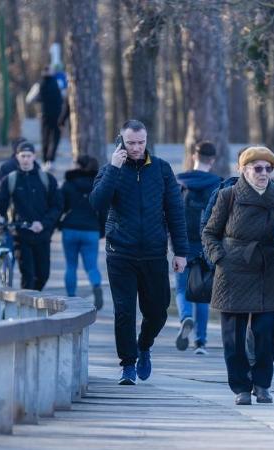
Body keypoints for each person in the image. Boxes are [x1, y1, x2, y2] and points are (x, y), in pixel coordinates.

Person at [90, 119, 188, 385]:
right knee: (124, 311)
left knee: (157, 312)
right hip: (120, 252)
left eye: (140, 142)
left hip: (154, 253)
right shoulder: (111, 169)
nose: (135, 147)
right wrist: (113, 168)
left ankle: (144, 346)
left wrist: (180, 251)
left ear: (147, 141)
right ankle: (128, 365)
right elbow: (97, 203)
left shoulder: (161, 169)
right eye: (130, 142)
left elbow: (175, 213)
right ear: (120, 141)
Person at [201, 146, 274, 405]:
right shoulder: (228, 195)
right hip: (233, 270)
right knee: (233, 336)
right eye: (257, 168)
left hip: (269, 269)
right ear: (243, 170)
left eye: (268, 169)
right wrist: (219, 258)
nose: (263, 173)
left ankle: (262, 384)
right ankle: (241, 386)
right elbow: (209, 232)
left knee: (268, 329)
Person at [0, 144, 62, 291]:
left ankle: (34, 303)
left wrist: (44, 223)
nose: (25, 159)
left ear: (34, 157)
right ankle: (27, 311)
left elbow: (57, 206)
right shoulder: (10, 180)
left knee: (43, 275)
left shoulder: (46, 179)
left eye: (28, 156)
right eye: (22, 156)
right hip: (21, 234)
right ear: (17, 157)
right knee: (28, 275)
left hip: (42, 235)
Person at [175, 141, 222, 355]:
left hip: (182, 244)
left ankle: (185, 316)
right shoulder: (217, 184)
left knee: (182, 287)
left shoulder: (180, 182)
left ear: (195, 156)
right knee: (202, 292)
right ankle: (200, 342)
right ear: (212, 160)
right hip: (206, 244)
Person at [60, 154, 105, 309]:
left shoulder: (68, 184)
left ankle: (71, 297)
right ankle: (96, 285)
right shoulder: (98, 184)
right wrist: (102, 230)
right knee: (91, 266)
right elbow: (104, 210)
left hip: (70, 228)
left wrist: (58, 224)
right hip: (91, 230)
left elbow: (60, 206)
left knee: (71, 266)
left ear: (79, 166)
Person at [25, 65, 64, 170]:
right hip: (57, 115)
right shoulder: (58, 83)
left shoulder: (39, 84)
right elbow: (64, 95)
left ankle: (45, 160)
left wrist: (40, 100)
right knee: (55, 138)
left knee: (45, 138)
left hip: (44, 115)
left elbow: (29, 99)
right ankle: (51, 160)